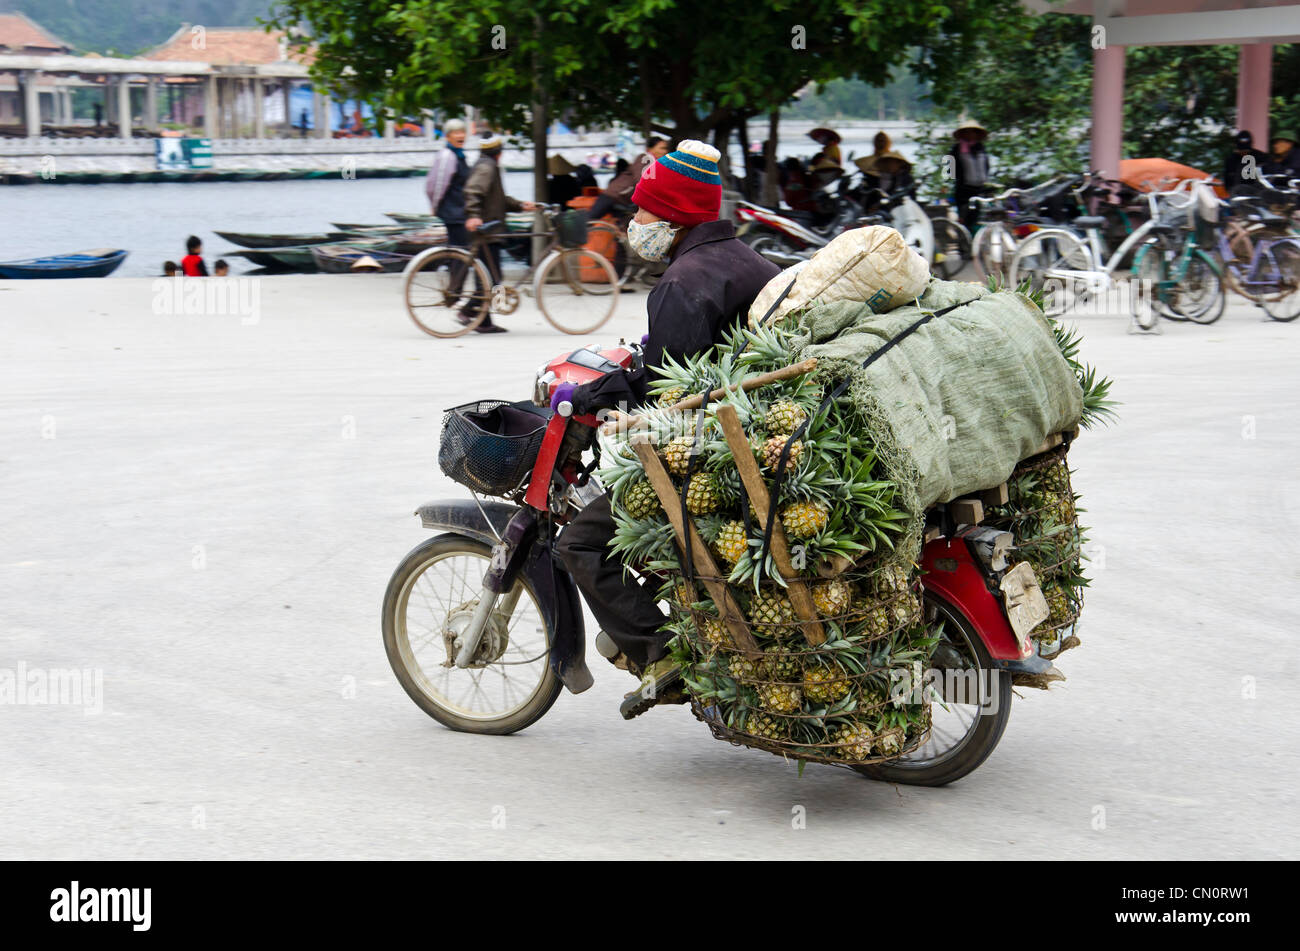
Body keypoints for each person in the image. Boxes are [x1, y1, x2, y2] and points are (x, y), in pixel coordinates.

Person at [551, 140, 781, 718]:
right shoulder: (751, 261)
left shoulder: (681, 283)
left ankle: (660, 655)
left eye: (642, 213)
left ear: (672, 217)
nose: (634, 224)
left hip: (710, 453)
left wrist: (591, 396)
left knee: (578, 541)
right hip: (763, 432)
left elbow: (666, 395)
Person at [463, 132, 537, 333]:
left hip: (491, 228)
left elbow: (500, 200)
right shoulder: (487, 167)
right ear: (499, 152)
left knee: (488, 277)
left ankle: (483, 321)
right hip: (486, 229)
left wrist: (521, 205)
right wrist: (473, 214)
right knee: (490, 278)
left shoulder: (487, 165)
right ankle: (468, 311)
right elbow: (473, 191)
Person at [585, 136, 669, 221]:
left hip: (623, 200)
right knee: (588, 222)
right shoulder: (646, 159)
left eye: (665, 149)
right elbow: (641, 179)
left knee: (626, 228)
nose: (665, 151)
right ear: (649, 149)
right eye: (662, 148)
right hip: (614, 195)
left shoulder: (655, 164)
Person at [949, 120, 990, 232]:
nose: (971, 134)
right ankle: (964, 245)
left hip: (979, 189)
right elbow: (947, 170)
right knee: (964, 219)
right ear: (963, 134)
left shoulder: (981, 148)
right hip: (963, 190)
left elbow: (987, 167)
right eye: (967, 132)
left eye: (973, 132)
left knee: (977, 217)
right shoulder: (956, 149)